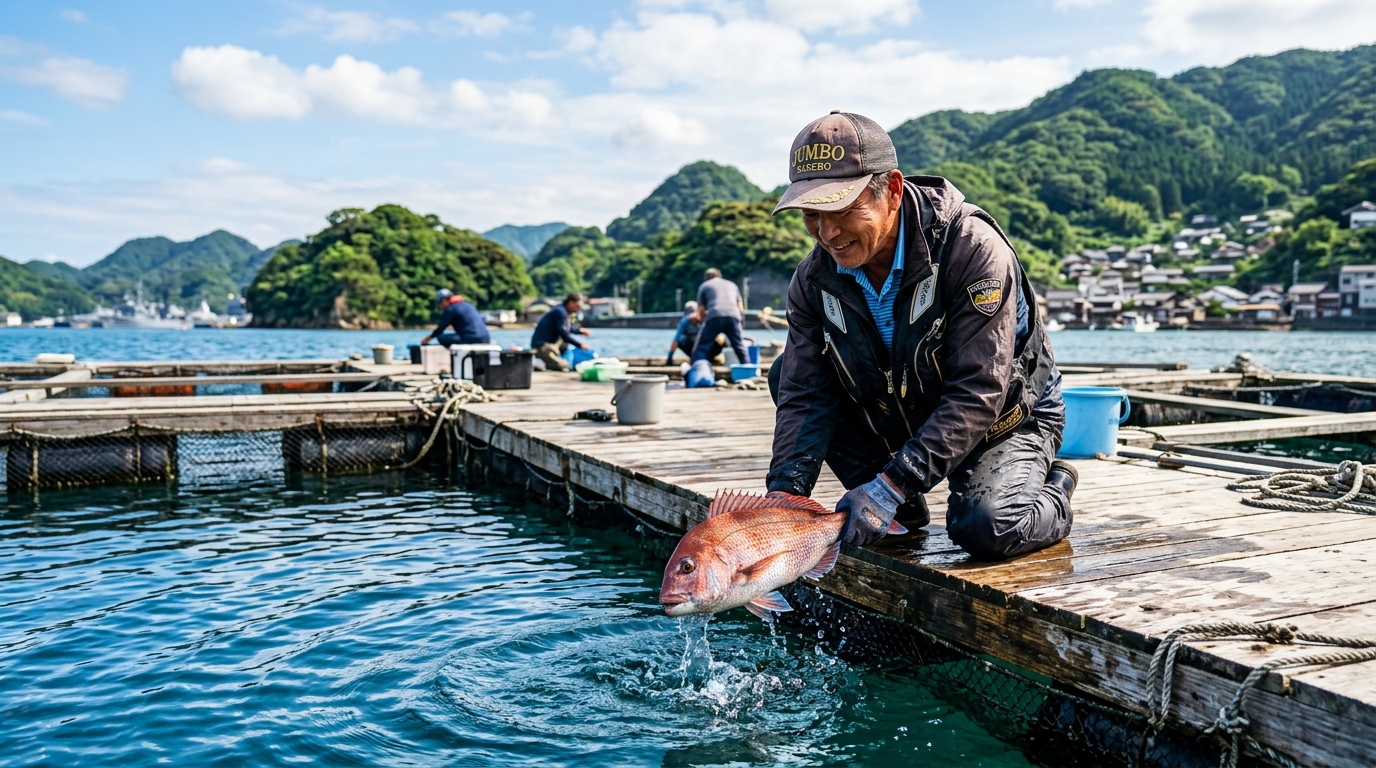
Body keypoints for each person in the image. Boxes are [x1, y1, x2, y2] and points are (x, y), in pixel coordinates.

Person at [765, 110, 1076, 561]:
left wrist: (890, 484)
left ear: (891, 190)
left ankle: (1055, 487)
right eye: (811, 215)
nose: (827, 233)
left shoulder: (970, 249)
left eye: (842, 210)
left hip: (1004, 417)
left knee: (986, 526)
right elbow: (803, 393)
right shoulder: (813, 279)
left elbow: (978, 390)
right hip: (908, 412)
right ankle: (900, 507)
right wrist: (782, 502)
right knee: (783, 373)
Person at [691, 268, 749, 366]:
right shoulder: (732, 285)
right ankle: (748, 369)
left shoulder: (705, 286)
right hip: (733, 316)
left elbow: (701, 310)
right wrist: (739, 323)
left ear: (706, 278)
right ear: (719, 276)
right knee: (739, 346)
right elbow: (741, 308)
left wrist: (701, 323)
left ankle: (697, 369)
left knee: (702, 347)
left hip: (715, 316)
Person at [531, 293, 590, 372]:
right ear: (571, 303)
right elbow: (564, 334)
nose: (578, 309)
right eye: (577, 306)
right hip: (542, 347)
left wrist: (581, 331)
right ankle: (542, 362)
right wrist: (580, 345)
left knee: (564, 342)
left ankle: (558, 358)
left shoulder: (564, 311)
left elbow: (569, 328)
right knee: (564, 367)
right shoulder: (560, 312)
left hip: (551, 344)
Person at [419, 289, 490, 347]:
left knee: (441, 337)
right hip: (486, 338)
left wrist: (427, 339)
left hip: (472, 339)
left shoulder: (450, 309)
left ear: (443, 300)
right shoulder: (467, 305)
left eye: (439, 304)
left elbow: (440, 330)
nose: (440, 307)